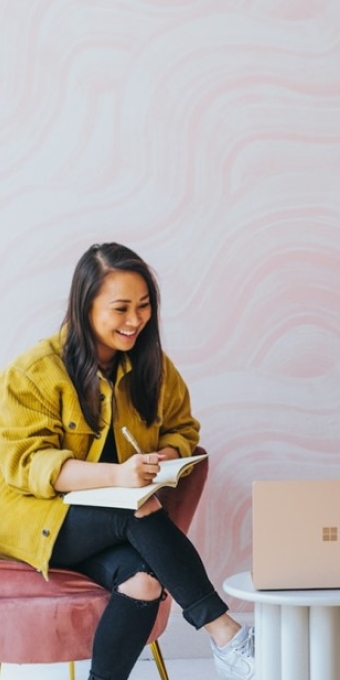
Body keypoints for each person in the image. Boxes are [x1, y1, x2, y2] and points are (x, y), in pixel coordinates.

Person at [0, 243, 254, 680]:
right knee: (138, 507)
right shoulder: (34, 372)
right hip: (34, 519)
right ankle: (227, 634)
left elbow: (183, 429)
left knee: (144, 584)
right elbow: (29, 463)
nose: (135, 320)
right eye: (120, 308)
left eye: (143, 306)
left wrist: (167, 455)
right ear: (85, 307)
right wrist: (118, 476)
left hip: (104, 530)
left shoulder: (152, 367)